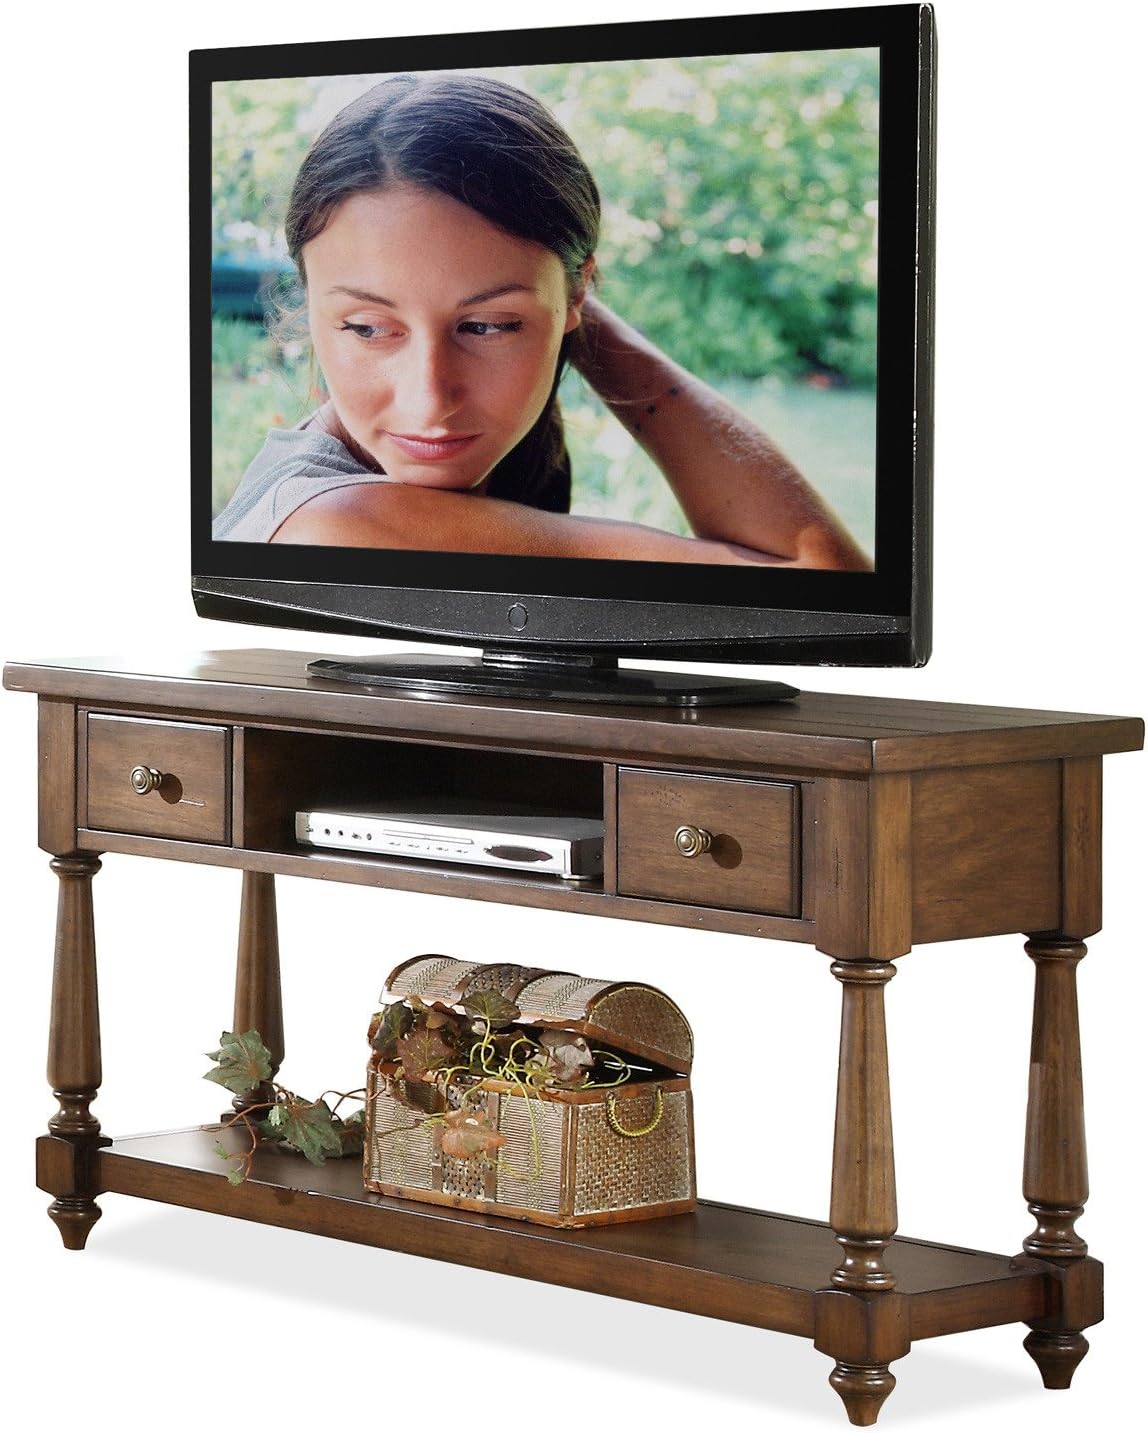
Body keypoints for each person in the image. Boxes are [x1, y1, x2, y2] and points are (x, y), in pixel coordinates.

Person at [213, 72, 870, 570]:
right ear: (310, 306)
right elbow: (819, 576)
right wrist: (555, 301)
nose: (431, 396)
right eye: (366, 327)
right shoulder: (334, 521)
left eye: (488, 326)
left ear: (578, 291)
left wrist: (564, 300)